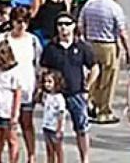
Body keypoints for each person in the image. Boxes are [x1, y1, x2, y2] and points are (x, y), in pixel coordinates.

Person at [39, 13, 98, 163]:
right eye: (60, 24)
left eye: (66, 24)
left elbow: (95, 67)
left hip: (76, 92)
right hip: (56, 94)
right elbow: (43, 68)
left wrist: (87, 86)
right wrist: (44, 90)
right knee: (54, 131)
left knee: (81, 129)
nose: (63, 27)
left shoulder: (82, 46)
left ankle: (84, 159)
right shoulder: (51, 47)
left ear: (73, 26)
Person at [78, 0, 130, 124]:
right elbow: (122, 31)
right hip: (108, 45)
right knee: (108, 79)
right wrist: (128, 51)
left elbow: (81, 25)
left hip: (90, 43)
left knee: (93, 76)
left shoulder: (89, 4)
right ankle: (104, 111)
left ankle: (91, 102)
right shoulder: (114, 8)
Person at [0, 39, 23, 163]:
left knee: (12, 141)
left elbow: (17, 93)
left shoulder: (14, 72)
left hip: (8, 112)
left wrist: (15, 114)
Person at [38, 70, 66, 163]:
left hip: (55, 128)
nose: (47, 84)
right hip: (46, 126)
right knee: (49, 150)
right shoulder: (46, 96)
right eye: (45, 82)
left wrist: (59, 129)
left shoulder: (59, 98)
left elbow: (61, 114)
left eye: (50, 82)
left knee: (58, 150)